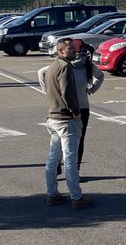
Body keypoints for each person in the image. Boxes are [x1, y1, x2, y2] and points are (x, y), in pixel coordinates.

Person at [38, 38, 103, 180]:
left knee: (77, 142)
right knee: (62, 144)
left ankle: (74, 171)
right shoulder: (64, 66)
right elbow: (41, 73)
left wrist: (92, 89)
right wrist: (50, 93)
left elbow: (100, 76)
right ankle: (62, 174)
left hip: (82, 108)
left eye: (80, 51)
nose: (79, 54)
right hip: (66, 110)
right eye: (75, 51)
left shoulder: (87, 66)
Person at [43, 38, 93, 209]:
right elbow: (67, 94)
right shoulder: (65, 67)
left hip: (53, 117)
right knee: (70, 158)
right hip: (65, 120)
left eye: (73, 48)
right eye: (70, 49)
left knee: (53, 158)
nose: (74, 51)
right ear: (61, 51)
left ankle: (52, 194)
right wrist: (76, 112)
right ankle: (76, 197)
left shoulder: (52, 67)